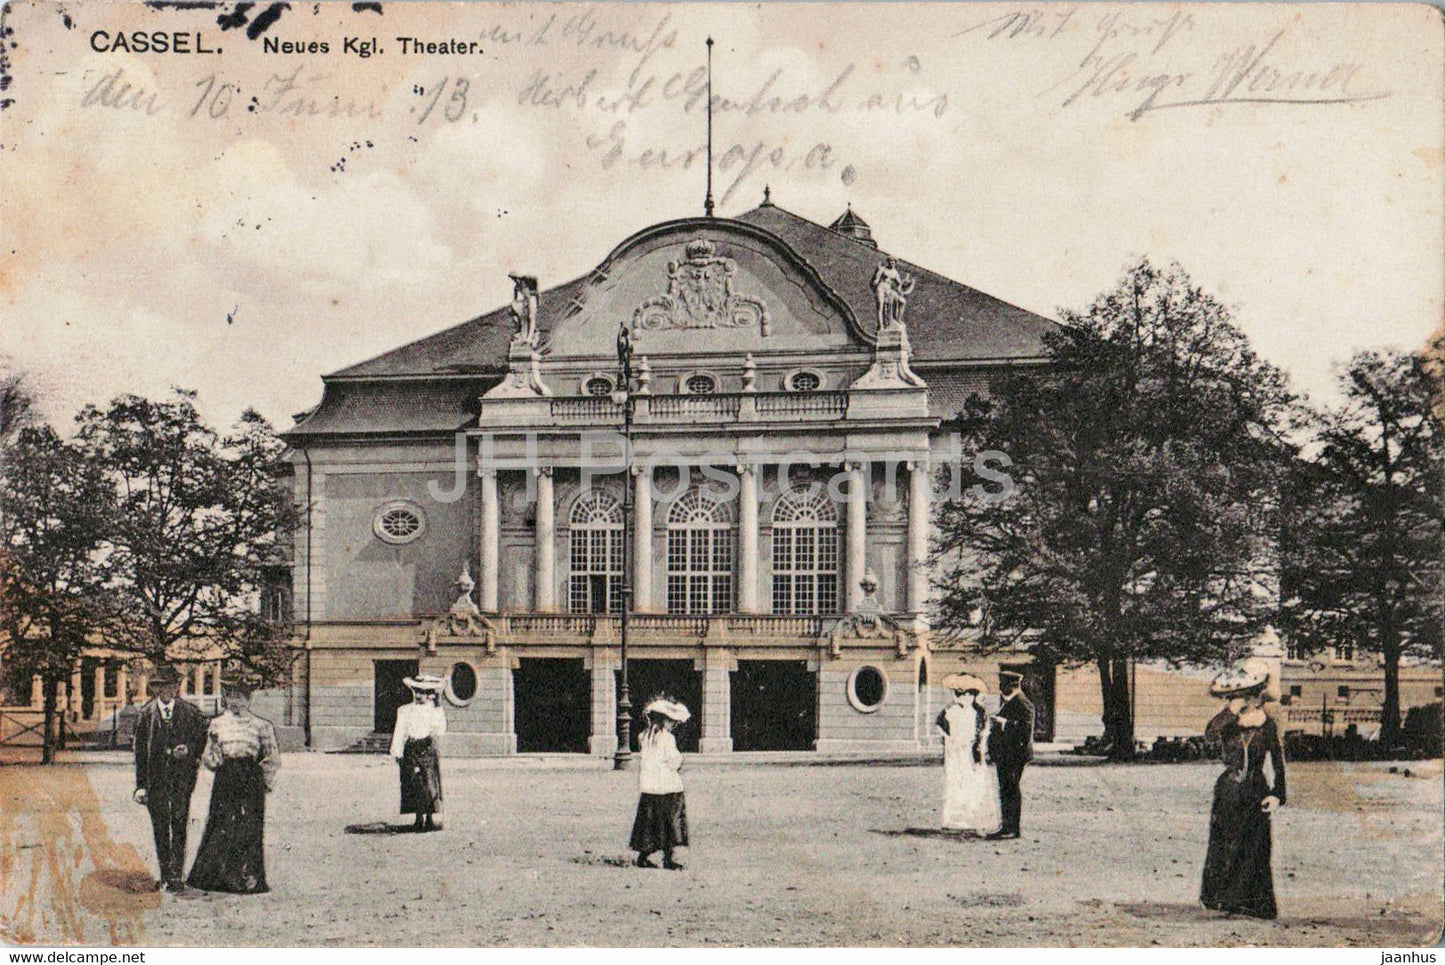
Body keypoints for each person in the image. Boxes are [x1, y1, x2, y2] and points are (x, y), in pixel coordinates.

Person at [1200, 658, 1287, 920]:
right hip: (1228, 789)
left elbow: (1277, 760)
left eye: (1250, 696)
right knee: (1225, 843)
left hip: (1255, 789)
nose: (1249, 701)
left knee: (1255, 846)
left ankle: (1252, 902)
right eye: (1242, 696)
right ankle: (1224, 899)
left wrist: (1277, 793)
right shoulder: (1228, 724)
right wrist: (1230, 712)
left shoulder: (1267, 723)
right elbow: (1209, 735)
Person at [187, 676, 280, 894]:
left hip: (250, 778)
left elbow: (272, 757)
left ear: (247, 699)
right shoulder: (217, 724)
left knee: (249, 825)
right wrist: (215, 759)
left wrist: (263, 782)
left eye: (238, 697)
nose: (233, 702)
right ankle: (219, 877)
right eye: (229, 696)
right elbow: (208, 756)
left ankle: (248, 878)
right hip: (226, 778)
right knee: (222, 824)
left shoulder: (261, 725)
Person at [132, 666, 209, 892]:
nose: (169, 691)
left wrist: (190, 750)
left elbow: (201, 741)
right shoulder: (146, 715)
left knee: (179, 823)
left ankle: (176, 875)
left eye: (173, 686)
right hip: (156, 781)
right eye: (163, 687)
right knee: (160, 826)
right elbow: (139, 754)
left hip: (182, 780)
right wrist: (140, 786)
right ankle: (165, 873)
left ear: (178, 688)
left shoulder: (191, 713)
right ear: (156, 689)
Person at [936, 673, 1001, 836]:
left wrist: (980, 743)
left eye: (969, 694)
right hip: (957, 752)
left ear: (974, 695)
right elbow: (940, 727)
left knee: (976, 784)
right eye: (962, 694)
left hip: (973, 752)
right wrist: (950, 739)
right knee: (957, 783)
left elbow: (985, 730)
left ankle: (976, 819)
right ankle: (956, 820)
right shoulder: (950, 711)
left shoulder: (979, 713)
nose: (965, 697)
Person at [629, 696, 690, 870]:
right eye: (670, 720)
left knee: (650, 823)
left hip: (650, 785)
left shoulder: (644, 736)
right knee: (670, 822)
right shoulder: (667, 738)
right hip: (668, 785)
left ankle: (644, 855)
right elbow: (673, 761)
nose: (673, 723)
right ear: (664, 720)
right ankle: (668, 858)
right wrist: (679, 760)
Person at [391, 674, 447, 832]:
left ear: (430, 693)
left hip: (427, 749)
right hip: (411, 749)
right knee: (413, 784)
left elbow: (440, 730)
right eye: (417, 691)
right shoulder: (405, 710)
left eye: (424, 692)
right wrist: (397, 751)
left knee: (429, 784)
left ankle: (430, 818)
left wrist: (438, 706)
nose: (419, 695)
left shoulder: (434, 710)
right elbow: (400, 730)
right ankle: (418, 818)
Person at [986, 670, 1035, 840]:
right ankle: (1006, 826)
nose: (1000, 689)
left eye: (1003, 685)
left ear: (1012, 686)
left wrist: (1004, 723)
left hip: (1015, 755)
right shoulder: (1011, 702)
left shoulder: (1023, 703)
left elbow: (1025, 731)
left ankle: (1013, 828)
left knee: (1011, 790)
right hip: (1006, 755)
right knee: (1006, 790)